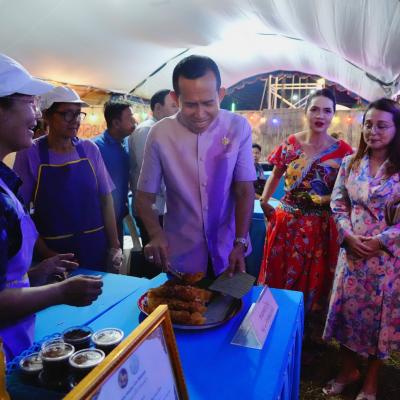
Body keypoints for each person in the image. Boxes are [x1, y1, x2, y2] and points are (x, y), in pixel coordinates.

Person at [0, 54, 102, 361]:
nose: (36, 114)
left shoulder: (5, 183)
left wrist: (35, 273)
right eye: (29, 102)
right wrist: (60, 293)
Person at [135, 55, 256, 277]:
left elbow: (244, 190)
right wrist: (155, 233)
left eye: (208, 103)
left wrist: (240, 241)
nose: (200, 114)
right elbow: (144, 197)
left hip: (230, 249)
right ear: (175, 98)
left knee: (234, 299)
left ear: (220, 95)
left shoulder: (238, 127)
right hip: (181, 253)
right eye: (190, 104)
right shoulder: (160, 134)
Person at [322, 98, 400, 400]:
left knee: (380, 321)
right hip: (352, 253)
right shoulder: (351, 163)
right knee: (347, 313)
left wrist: (382, 240)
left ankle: (371, 381)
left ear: (396, 129)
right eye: (368, 124)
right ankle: (348, 370)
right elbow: (338, 202)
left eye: (382, 126)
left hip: (386, 259)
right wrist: (346, 234)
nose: (373, 131)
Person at [258, 88, 353, 317]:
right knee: (278, 276)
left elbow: (347, 191)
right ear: (305, 112)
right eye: (315, 109)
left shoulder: (344, 151)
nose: (320, 116)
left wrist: (326, 200)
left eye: (327, 111)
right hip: (286, 223)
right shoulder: (290, 143)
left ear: (333, 115)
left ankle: (307, 327)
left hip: (321, 226)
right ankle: (276, 321)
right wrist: (264, 200)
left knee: (315, 281)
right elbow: (276, 174)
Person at [13, 86, 121, 272]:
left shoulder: (89, 149)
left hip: (95, 246)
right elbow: (21, 212)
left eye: (78, 114)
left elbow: (106, 199)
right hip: (54, 252)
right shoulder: (30, 152)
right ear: (46, 116)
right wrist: (45, 253)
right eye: (67, 114)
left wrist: (114, 246)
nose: (75, 120)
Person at [129, 89, 178, 277]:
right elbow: (151, 174)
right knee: (156, 259)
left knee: (165, 258)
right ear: (157, 108)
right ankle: (153, 293)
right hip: (152, 208)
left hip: (162, 207)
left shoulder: (163, 130)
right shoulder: (147, 130)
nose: (177, 110)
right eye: (173, 106)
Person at [93, 100, 136, 247]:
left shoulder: (128, 143)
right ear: (116, 123)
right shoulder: (96, 147)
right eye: (130, 118)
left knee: (117, 256)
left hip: (119, 216)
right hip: (99, 222)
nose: (135, 121)